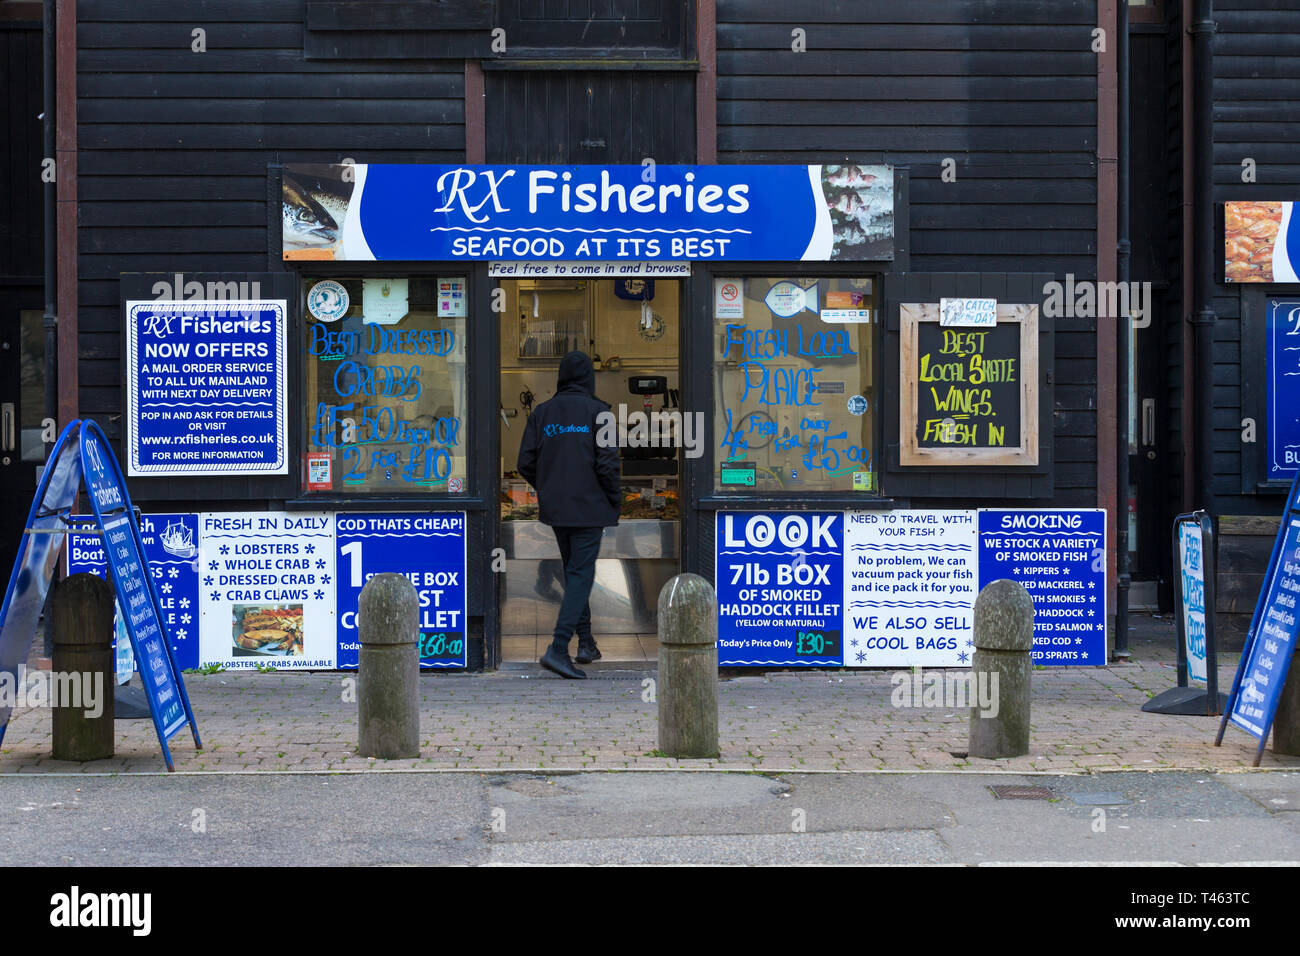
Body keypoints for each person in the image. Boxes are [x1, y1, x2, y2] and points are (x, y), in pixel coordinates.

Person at [517, 350, 621, 679]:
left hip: (557, 509)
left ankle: (587, 643)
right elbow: (608, 465)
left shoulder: (542, 413)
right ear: (588, 378)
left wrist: (548, 487)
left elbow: (525, 462)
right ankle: (559, 649)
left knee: (573, 571)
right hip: (589, 508)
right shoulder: (600, 413)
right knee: (580, 575)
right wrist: (613, 500)